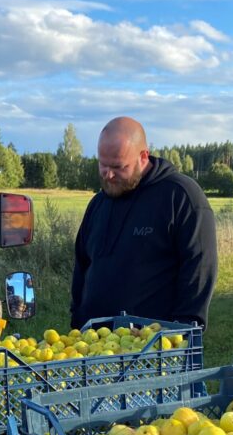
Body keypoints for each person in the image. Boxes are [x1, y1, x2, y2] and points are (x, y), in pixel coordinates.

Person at [70, 117, 218, 330]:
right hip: (92, 346)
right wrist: (77, 322)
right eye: (102, 164)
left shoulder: (181, 197)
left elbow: (200, 268)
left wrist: (183, 333)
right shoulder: (98, 204)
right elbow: (82, 266)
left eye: (118, 166)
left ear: (143, 157)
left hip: (154, 350)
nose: (108, 174)